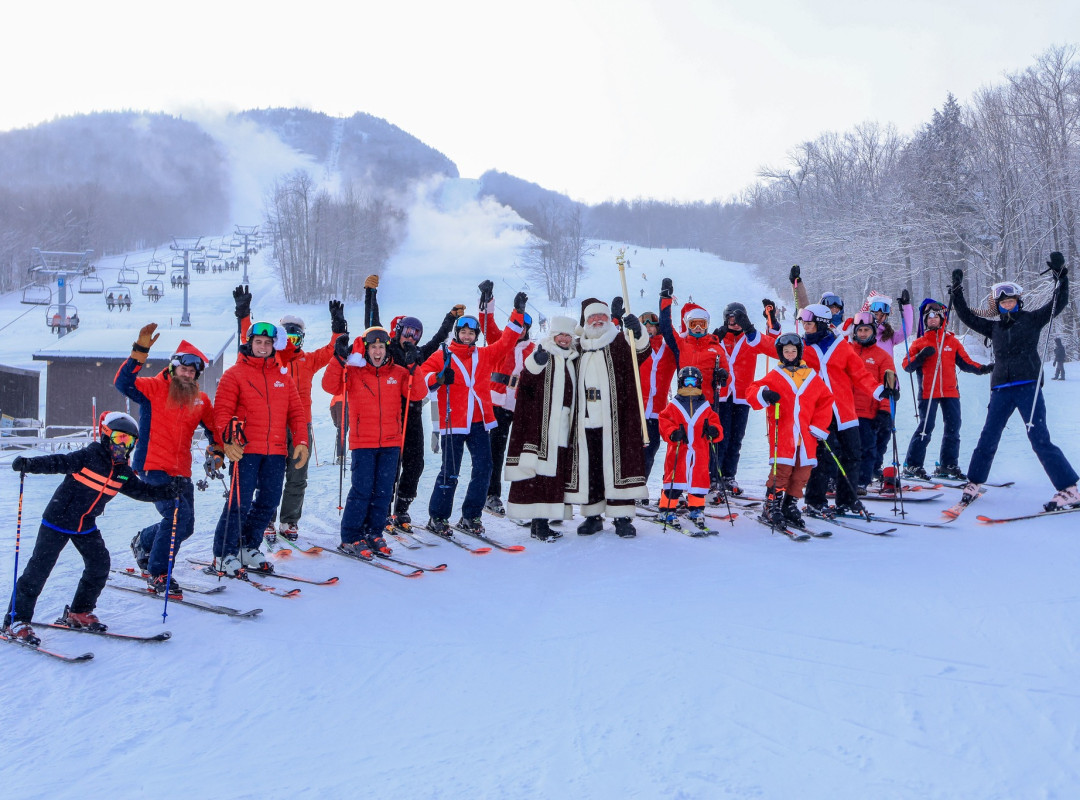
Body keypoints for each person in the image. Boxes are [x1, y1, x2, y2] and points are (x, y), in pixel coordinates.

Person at [3, 413, 177, 645]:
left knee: (99, 564)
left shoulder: (122, 471)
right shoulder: (89, 456)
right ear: (106, 436)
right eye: (119, 438)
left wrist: (168, 490)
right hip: (57, 520)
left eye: (129, 441)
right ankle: (15, 621)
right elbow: (58, 462)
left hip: (85, 524)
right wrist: (30, 464)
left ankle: (79, 611)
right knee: (38, 570)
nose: (123, 445)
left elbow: (142, 491)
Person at [949, 256, 1080, 509]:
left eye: (1011, 301)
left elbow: (1058, 303)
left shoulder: (1032, 319)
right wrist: (956, 291)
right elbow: (966, 316)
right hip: (1001, 389)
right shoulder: (994, 328)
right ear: (998, 306)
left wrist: (1061, 277)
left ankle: (1069, 489)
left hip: (1028, 386)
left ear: (1018, 302)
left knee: (1039, 438)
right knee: (988, 436)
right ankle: (974, 482)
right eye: (1003, 303)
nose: (1007, 305)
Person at [233, 286, 345, 541]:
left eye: (297, 338)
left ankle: (289, 520)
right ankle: (266, 519)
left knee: (297, 475)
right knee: (269, 476)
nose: (292, 343)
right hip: (273, 426)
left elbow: (333, 349)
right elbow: (249, 340)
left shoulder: (308, 360)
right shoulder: (273, 360)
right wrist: (243, 313)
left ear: (302, 339)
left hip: (301, 426)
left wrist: (338, 326)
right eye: (288, 337)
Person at [115, 324, 218, 596]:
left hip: (181, 470)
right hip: (152, 466)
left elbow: (214, 429)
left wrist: (217, 450)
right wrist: (139, 352)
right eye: (183, 369)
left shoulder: (200, 400)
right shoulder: (153, 388)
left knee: (186, 525)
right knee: (176, 516)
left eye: (192, 371)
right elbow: (123, 383)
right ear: (173, 367)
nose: (187, 374)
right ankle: (159, 573)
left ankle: (143, 541)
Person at [419, 289, 529, 537]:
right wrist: (438, 378)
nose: (467, 336)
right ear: (457, 333)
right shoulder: (443, 355)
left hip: (479, 422)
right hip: (453, 422)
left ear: (476, 336)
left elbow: (506, 342)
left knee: (484, 468)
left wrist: (518, 314)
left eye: (471, 333)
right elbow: (423, 378)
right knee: (450, 472)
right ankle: (438, 517)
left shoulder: (483, 355)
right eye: (463, 332)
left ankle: (471, 516)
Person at [363, 274, 461, 530]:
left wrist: (450, 318)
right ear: (398, 332)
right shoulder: (387, 350)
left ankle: (402, 508)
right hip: (392, 415)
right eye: (407, 332)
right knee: (391, 465)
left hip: (413, 414)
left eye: (416, 334)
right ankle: (383, 509)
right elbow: (372, 324)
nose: (411, 337)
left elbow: (438, 340)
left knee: (415, 463)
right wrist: (370, 294)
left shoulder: (417, 353)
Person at [211, 321, 309, 576]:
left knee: (268, 501)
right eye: (258, 342)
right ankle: (223, 553)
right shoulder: (234, 374)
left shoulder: (283, 377)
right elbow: (222, 413)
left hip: (275, 451)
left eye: (267, 343)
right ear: (250, 343)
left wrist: (301, 441)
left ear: (274, 345)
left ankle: (248, 546)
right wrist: (227, 441)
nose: (263, 347)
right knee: (239, 503)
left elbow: (296, 413)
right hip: (245, 451)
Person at [322, 327, 427, 556]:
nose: (377, 352)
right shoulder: (354, 372)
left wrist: (414, 366)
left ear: (387, 349)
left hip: (390, 442)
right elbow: (329, 386)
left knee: (383, 492)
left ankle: (374, 532)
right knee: (362, 491)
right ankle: (351, 537)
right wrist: (338, 358)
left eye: (381, 347)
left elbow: (418, 393)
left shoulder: (398, 372)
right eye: (373, 347)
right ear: (366, 349)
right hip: (363, 443)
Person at [797, 303, 893, 517]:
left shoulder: (840, 346)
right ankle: (815, 501)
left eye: (809, 323)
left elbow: (860, 374)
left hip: (844, 410)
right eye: (804, 323)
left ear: (821, 324)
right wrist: (751, 331)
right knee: (823, 457)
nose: (805, 327)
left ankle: (847, 500)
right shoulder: (801, 346)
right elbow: (774, 348)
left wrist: (879, 391)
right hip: (819, 411)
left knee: (853, 454)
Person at [565, 298, 650, 537]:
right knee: (591, 467)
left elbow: (641, 351)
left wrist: (637, 331)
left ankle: (622, 518)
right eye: (592, 317)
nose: (597, 320)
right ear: (585, 321)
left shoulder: (620, 341)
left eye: (601, 316)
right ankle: (592, 516)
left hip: (617, 417)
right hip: (585, 418)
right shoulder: (577, 348)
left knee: (617, 466)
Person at [746, 334, 835, 529]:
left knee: (802, 473)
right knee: (782, 471)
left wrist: (819, 426)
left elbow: (826, 401)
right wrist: (763, 394)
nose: (790, 354)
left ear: (799, 352)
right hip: (784, 433)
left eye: (793, 351)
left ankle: (789, 505)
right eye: (786, 351)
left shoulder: (811, 376)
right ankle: (771, 505)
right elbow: (752, 390)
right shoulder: (774, 375)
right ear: (780, 354)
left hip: (806, 435)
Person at [504, 316, 580, 541]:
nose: (564, 339)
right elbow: (527, 379)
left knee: (554, 476)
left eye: (568, 335)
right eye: (560, 335)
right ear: (552, 336)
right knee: (540, 475)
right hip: (542, 426)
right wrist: (536, 362)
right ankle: (539, 525)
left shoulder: (572, 359)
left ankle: (542, 523)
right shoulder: (544, 354)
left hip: (563, 425)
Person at [900, 300, 990, 481]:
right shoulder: (920, 342)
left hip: (950, 392)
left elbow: (966, 363)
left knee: (953, 428)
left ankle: (948, 464)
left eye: (936, 316)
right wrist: (921, 356)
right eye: (929, 317)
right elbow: (906, 365)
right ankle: (912, 465)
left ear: (942, 319)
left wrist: (982, 368)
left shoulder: (951, 342)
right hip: (928, 392)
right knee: (926, 427)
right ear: (925, 321)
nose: (932, 319)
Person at [477, 279, 536, 516]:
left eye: (524, 327)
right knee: (496, 450)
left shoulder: (533, 349)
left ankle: (525, 493)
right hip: (498, 403)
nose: (520, 331)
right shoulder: (501, 341)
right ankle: (491, 493)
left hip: (520, 406)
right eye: (518, 325)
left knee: (523, 451)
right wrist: (487, 299)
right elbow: (486, 323)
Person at [710, 300, 779, 496]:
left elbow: (774, 346)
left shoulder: (751, 338)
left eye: (740, 319)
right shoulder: (718, 338)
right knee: (720, 438)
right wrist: (713, 339)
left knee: (736, 439)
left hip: (742, 396)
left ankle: (728, 475)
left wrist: (772, 321)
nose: (735, 323)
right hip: (722, 396)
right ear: (726, 319)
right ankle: (713, 476)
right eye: (732, 319)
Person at [655, 367, 723, 530]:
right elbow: (664, 421)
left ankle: (696, 509)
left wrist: (714, 430)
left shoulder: (705, 407)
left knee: (698, 481)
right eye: (687, 381)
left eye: (694, 381)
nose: (690, 385)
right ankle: (666, 510)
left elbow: (716, 423)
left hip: (700, 452)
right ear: (681, 383)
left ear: (699, 383)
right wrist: (672, 433)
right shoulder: (674, 406)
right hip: (679, 450)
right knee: (675, 481)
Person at [848, 312, 899, 491]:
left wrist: (885, 411)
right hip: (846, 410)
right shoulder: (846, 351)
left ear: (873, 332)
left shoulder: (883, 356)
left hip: (868, 412)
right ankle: (841, 479)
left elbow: (890, 386)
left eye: (866, 330)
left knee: (867, 448)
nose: (863, 334)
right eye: (860, 330)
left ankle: (862, 481)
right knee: (845, 448)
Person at [635, 309, 677, 499]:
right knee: (632, 451)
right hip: (636, 409)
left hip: (657, 411)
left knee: (649, 451)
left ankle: (640, 486)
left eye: (651, 326)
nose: (648, 329)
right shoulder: (633, 347)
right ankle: (629, 487)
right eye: (644, 326)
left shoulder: (667, 349)